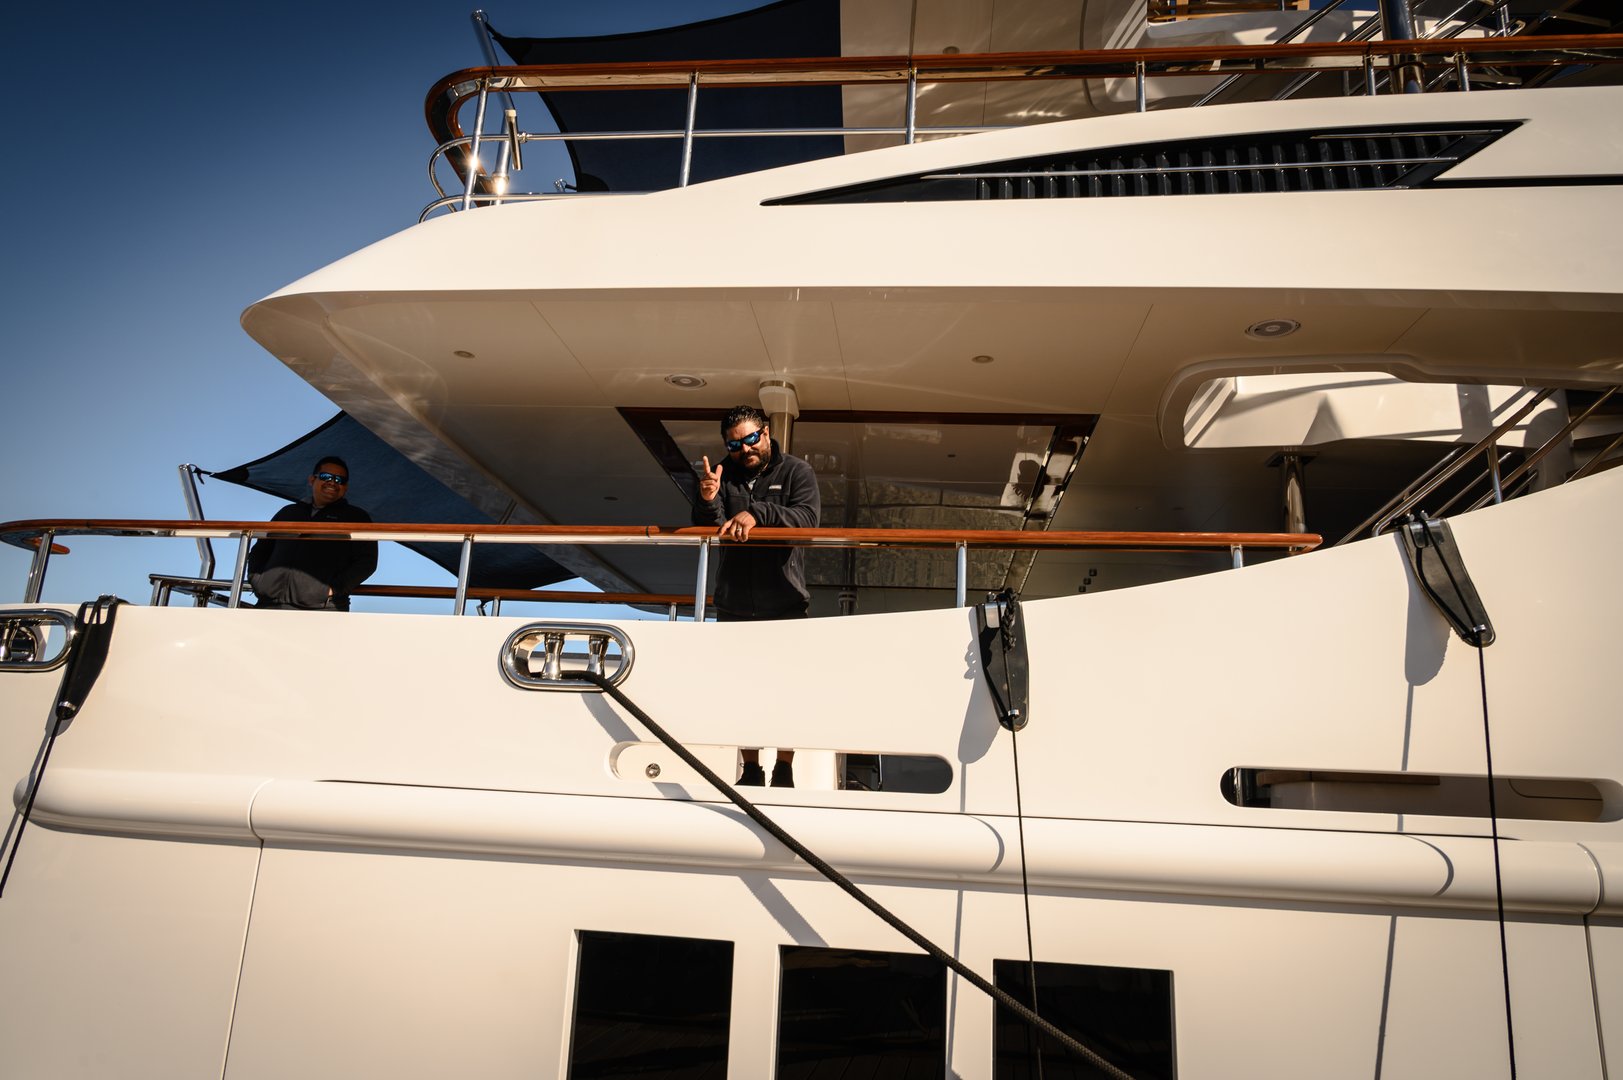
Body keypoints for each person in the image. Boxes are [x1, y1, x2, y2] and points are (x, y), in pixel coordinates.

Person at [692, 405, 821, 788]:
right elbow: (707, 527)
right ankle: (750, 766)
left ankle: (784, 766)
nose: (744, 449)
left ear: (765, 433)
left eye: (750, 439)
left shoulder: (797, 471)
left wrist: (758, 513)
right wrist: (706, 497)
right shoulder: (721, 474)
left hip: (785, 600)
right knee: (739, 691)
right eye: (734, 444)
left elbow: (808, 521)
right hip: (732, 602)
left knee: (788, 691)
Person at [248, 456, 377, 611]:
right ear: (312, 480)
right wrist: (258, 580)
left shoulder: (356, 517)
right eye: (326, 476)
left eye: (339, 480)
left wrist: (331, 590)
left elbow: (367, 562)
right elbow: (261, 549)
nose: (332, 482)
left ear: (345, 487)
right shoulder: (288, 512)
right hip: (268, 604)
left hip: (322, 608)